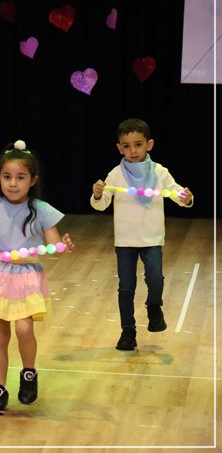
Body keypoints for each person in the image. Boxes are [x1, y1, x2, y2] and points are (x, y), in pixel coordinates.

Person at [0, 140, 73, 415]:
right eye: (7, 177)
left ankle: (29, 373)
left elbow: (54, 247)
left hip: (26, 276)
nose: (12, 183)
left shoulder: (42, 210)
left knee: (23, 329)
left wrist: (63, 248)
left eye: (20, 177)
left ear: (32, 181)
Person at [91, 118, 193, 351]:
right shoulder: (116, 173)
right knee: (126, 287)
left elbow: (177, 193)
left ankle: (154, 307)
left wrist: (186, 197)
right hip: (125, 240)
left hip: (152, 238)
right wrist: (97, 195)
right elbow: (102, 203)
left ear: (149, 144)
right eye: (126, 146)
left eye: (138, 144)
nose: (133, 150)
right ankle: (128, 331)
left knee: (155, 278)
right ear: (119, 148)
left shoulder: (160, 171)